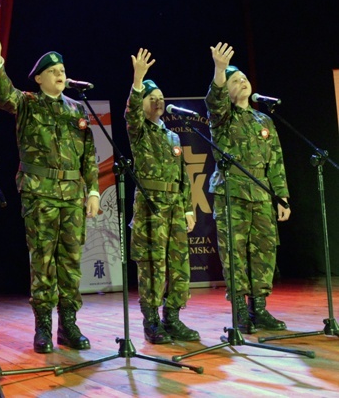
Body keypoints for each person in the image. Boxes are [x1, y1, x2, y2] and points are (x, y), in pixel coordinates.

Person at [0, 27, 99, 354]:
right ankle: (43, 327)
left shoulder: (78, 110)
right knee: (43, 262)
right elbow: (1, 93)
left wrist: (92, 191)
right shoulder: (28, 104)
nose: (60, 74)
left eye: (62, 70)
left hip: (73, 195)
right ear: (39, 78)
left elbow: (89, 156)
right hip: (40, 194)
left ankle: (69, 325)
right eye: (53, 71)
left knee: (71, 261)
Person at [206, 42, 291, 333]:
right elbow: (215, 101)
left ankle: (260, 308)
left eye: (244, 78)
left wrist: (281, 197)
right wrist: (219, 69)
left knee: (264, 250)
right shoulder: (222, 118)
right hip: (232, 191)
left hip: (262, 192)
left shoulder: (263, 119)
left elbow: (276, 162)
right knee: (235, 252)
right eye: (235, 80)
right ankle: (240, 310)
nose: (242, 82)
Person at [125, 48, 200, 344]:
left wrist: (188, 209)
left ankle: (173, 317)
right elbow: (131, 115)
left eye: (160, 97)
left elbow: (183, 177)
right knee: (153, 263)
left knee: (179, 263)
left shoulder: (172, 136)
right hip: (151, 206)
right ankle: (152, 321)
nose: (157, 101)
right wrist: (138, 81)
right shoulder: (140, 132)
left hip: (174, 208)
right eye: (150, 97)